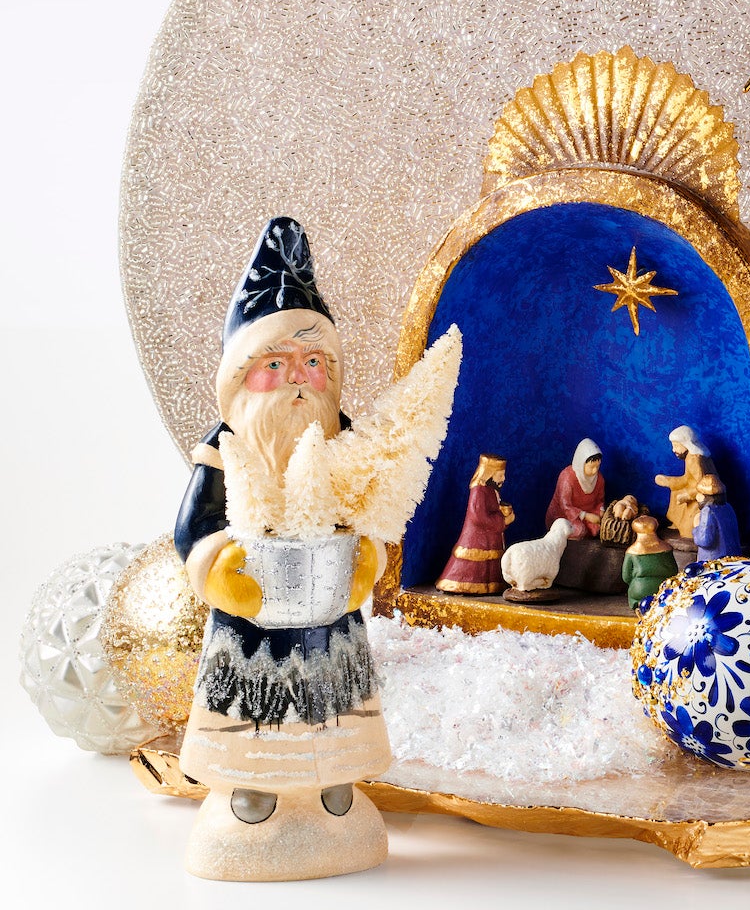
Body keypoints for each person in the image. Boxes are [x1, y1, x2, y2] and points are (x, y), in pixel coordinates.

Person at [173, 217, 390, 878]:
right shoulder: (225, 449)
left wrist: (365, 560)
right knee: (254, 702)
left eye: (313, 363)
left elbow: (369, 511)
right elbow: (192, 527)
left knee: (332, 696)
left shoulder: (344, 444)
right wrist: (218, 568)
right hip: (250, 622)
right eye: (277, 364)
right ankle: (252, 789)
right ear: (243, 375)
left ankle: (334, 788)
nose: (299, 378)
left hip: (330, 617)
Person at [436, 454, 514, 594]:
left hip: (490, 538)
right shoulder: (478, 491)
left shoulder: (491, 490)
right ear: (490, 473)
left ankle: (490, 585)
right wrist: (503, 521)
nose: (504, 478)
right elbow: (478, 517)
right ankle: (461, 583)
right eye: (500, 475)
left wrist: (503, 512)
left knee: (489, 565)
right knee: (473, 563)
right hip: (477, 539)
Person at [654, 425, 719, 539]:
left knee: (679, 495)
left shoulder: (694, 459)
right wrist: (670, 482)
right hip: (695, 489)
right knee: (675, 491)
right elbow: (688, 479)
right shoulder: (694, 456)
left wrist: (687, 495)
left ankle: (687, 529)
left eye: (676, 446)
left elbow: (702, 485)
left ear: (686, 444)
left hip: (702, 496)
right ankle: (677, 523)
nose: (673, 450)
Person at [545, 438, 605, 539]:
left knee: (597, 528)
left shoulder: (599, 479)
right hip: (564, 516)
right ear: (581, 463)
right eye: (591, 467)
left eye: (597, 466)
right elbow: (565, 506)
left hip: (589, 513)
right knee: (579, 530)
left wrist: (601, 510)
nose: (595, 471)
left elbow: (600, 500)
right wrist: (586, 516)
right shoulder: (567, 478)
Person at [622, 516, 679, 608]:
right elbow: (674, 571)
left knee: (636, 596)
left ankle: (637, 603)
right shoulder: (667, 548)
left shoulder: (632, 551)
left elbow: (626, 577)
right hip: (664, 590)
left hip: (639, 590)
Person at [692, 474, 742, 563]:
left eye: (699, 493)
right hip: (733, 557)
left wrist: (696, 527)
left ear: (703, 496)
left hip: (714, 559)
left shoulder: (707, 510)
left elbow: (705, 540)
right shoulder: (728, 507)